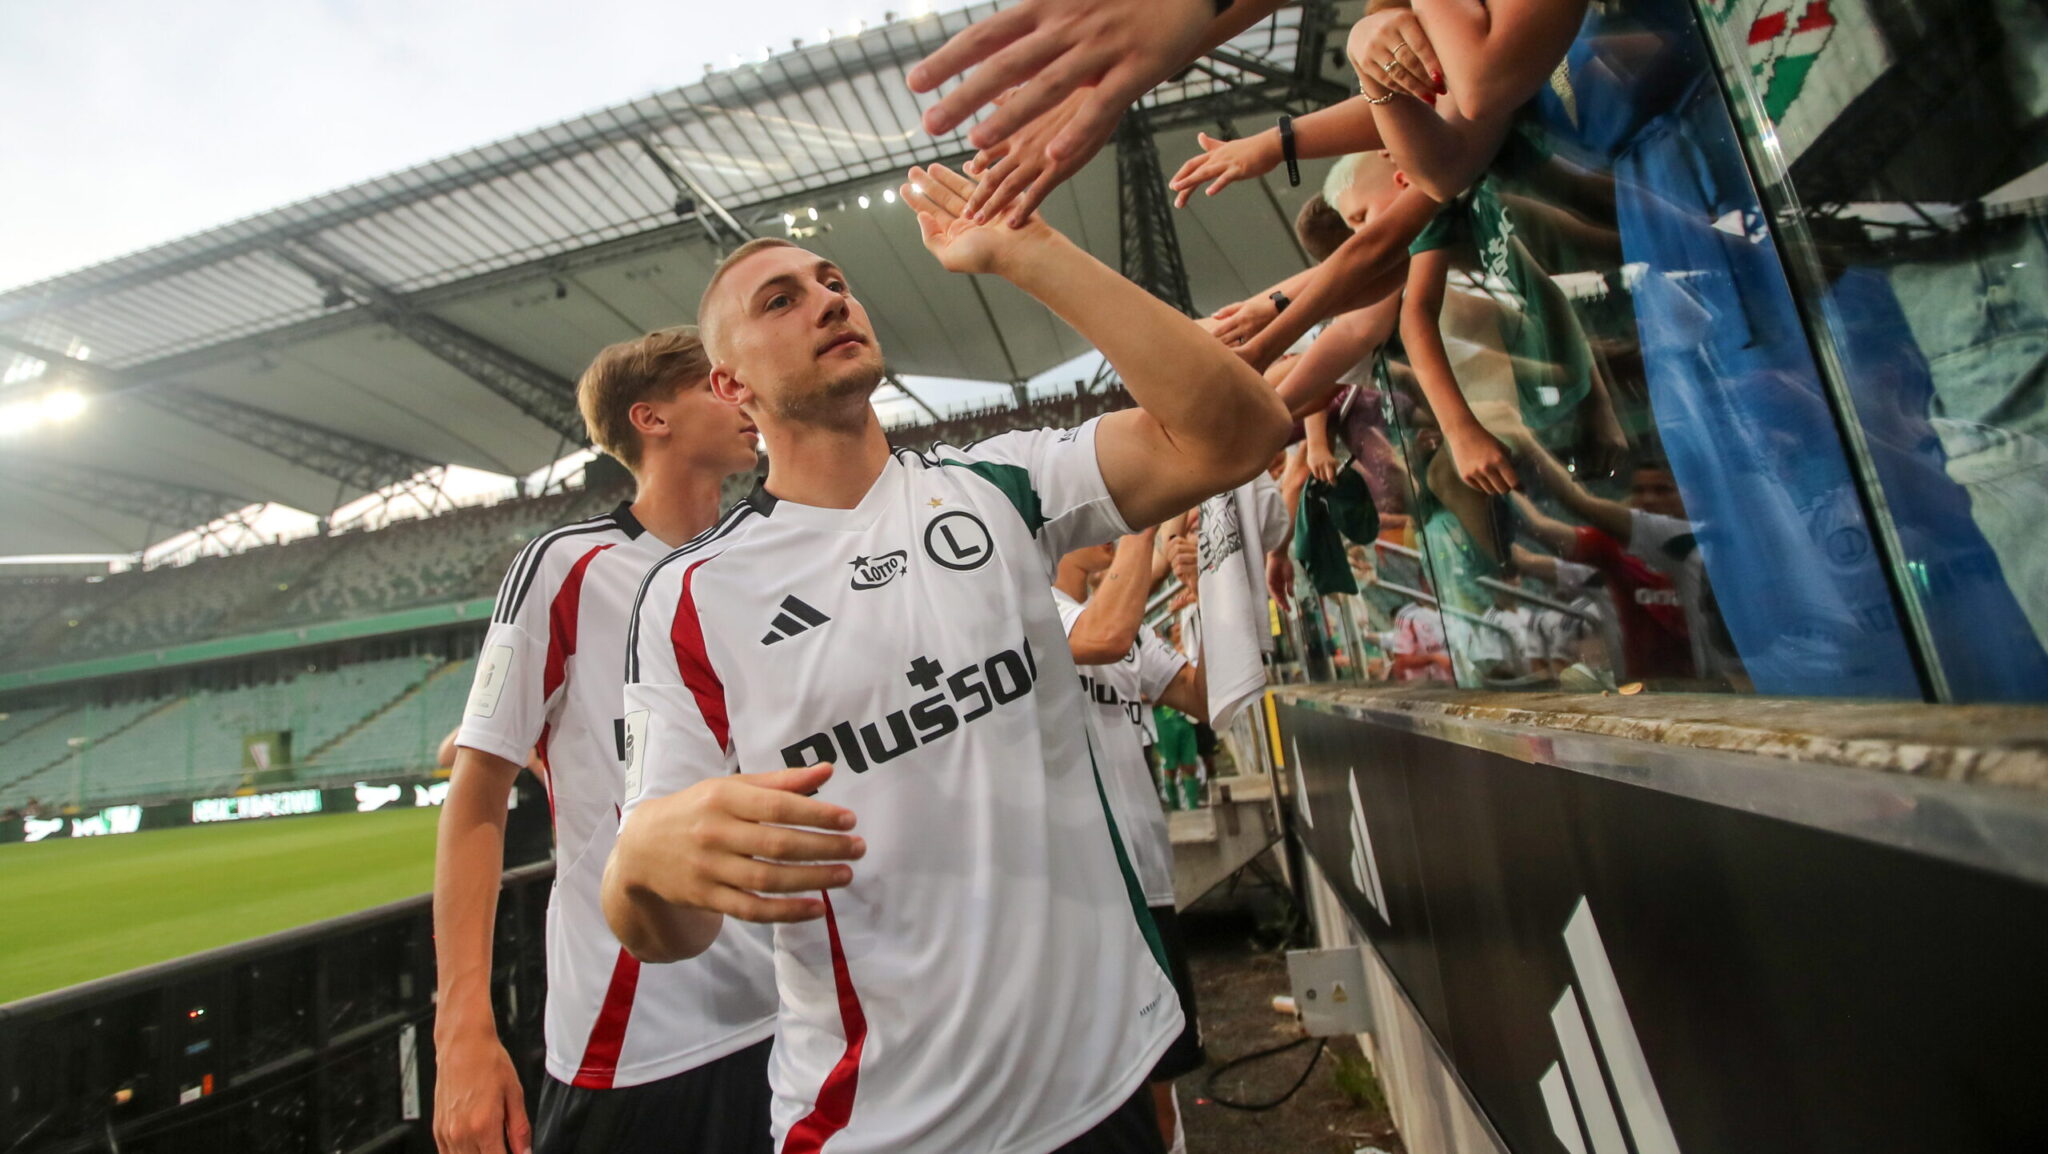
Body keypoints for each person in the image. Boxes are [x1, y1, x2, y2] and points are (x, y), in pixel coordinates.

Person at [601, 163, 1291, 1153]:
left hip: (1103, 1087)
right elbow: (665, 928)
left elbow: (1241, 431)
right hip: (879, 1124)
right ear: (730, 386)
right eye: (780, 298)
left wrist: (1029, 252)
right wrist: (637, 865)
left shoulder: (999, 484)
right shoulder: (689, 598)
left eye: (832, 280)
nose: (827, 298)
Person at [433, 328, 776, 1154]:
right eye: (712, 386)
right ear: (650, 417)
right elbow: (475, 798)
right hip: (641, 1029)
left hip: (792, 1005)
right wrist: (462, 1031)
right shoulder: (564, 566)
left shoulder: (763, 561)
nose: (741, 398)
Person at [1053, 532, 1208, 1152]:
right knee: (1113, 1104)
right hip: (1089, 896)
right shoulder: (1027, 610)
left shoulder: (1123, 625)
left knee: (1162, 1092)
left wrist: (1205, 598)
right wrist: (1149, 530)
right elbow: (1103, 635)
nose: (1113, 530)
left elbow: (1203, 697)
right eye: (1101, 517)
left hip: (1152, 884)